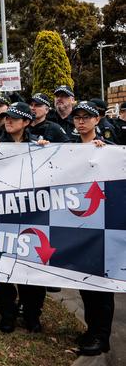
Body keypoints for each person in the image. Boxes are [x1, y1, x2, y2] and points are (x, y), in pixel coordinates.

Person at [0, 102, 49, 333]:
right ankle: (7, 315)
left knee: (32, 269)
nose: (8, 121)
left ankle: (32, 315)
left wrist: (47, 150)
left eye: (14, 118)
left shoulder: (39, 146)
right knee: (3, 268)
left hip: (33, 217)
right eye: (6, 117)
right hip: (2, 216)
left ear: (27, 122)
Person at [69, 101, 115, 356]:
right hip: (79, 225)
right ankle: (92, 329)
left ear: (97, 120)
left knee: (101, 284)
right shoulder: (70, 149)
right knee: (84, 282)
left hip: (104, 227)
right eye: (78, 117)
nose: (82, 121)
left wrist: (106, 152)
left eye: (87, 117)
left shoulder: (108, 148)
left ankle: (102, 336)